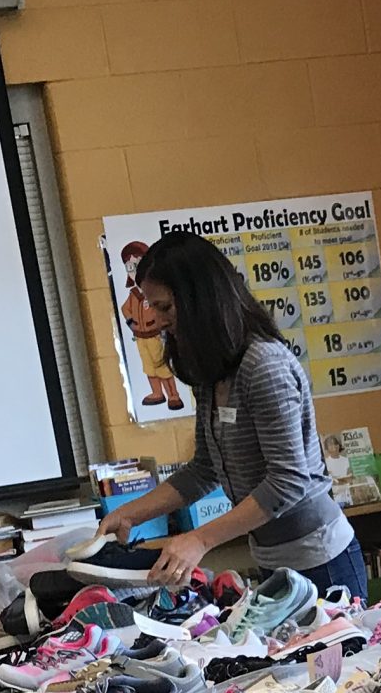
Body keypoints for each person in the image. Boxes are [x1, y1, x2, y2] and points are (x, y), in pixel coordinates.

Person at [97, 231, 363, 597]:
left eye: (165, 308)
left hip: (322, 563)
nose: (156, 321)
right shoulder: (212, 371)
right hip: (274, 560)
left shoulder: (264, 366)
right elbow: (205, 469)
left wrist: (199, 540)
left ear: (199, 300)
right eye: (152, 307)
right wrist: (130, 513)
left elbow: (287, 481)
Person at [118, 239, 186, 412]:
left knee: (162, 366)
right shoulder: (133, 294)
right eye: (130, 267)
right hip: (141, 337)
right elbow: (125, 309)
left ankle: (173, 395)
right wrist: (131, 323)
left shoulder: (157, 295)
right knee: (148, 367)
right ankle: (157, 393)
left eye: (138, 265)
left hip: (155, 335)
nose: (134, 271)